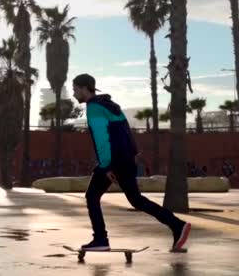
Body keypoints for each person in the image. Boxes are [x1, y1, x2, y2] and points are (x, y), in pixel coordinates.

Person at [72, 73, 191, 252]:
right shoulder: (110, 105)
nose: (74, 94)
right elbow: (125, 133)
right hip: (126, 158)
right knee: (136, 200)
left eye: (75, 89)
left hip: (115, 161)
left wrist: (106, 166)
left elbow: (102, 138)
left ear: (83, 88)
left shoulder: (94, 108)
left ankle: (101, 240)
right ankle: (177, 225)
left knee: (92, 196)